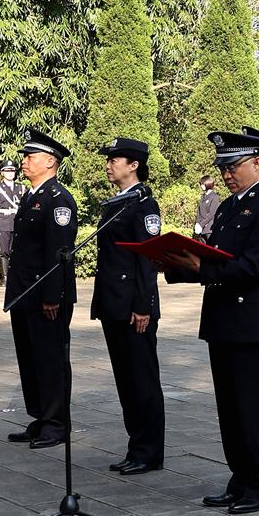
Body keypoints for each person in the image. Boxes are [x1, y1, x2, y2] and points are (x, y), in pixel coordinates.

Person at [161, 129, 259, 513]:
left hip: (252, 322)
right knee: (231, 408)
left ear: (257, 161)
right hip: (224, 319)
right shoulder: (232, 205)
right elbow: (213, 258)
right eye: (223, 168)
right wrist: (175, 264)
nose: (227, 174)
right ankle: (241, 477)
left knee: (255, 408)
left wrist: (199, 266)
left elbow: (254, 266)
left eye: (233, 166)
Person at [90, 137, 163, 473]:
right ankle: (136, 447)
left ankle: (149, 451)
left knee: (142, 380)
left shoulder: (143, 205)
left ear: (133, 165)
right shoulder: (118, 201)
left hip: (135, 307)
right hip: (114, 304)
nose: (109, 165)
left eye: (115, 159)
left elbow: (147, 260)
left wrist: (144, 305)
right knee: (126, 380)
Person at [4, 129, 77, 450]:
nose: (24, 161)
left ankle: (57, 422)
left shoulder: (59, 200)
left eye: (29, 157)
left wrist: (52, 296)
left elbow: (57, 252)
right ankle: (40, 415)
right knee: (30, 359)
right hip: (24, 294)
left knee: (50, 359)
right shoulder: (32, 196)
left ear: (50, 161)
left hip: (45, 296)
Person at [0, 161, 25, 286]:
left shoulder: (21, 188)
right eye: (7, 171)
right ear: (2, 173)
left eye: (12, 171)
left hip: (17, 223)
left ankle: (15, 276)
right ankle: (5, 278)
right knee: (4, 250)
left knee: (17, 250)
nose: (10, 173)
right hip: (3, 223)